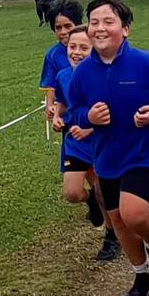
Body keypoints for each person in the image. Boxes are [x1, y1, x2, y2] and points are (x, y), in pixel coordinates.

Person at [67, 0, 149, 296]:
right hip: (106, 156)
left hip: (144, 151)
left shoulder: (146, 63)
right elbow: (73, 110)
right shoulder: (82, 73)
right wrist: (87, 117)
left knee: (133, 212)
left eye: (108, 21)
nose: (100, 28)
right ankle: (141, 273)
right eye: (94, 22)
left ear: (125, 29)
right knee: (117, 220)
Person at [52, 25, 121, 262]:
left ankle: (112, 237)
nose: (76, 52)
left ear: (94, 49)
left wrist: (90, 127)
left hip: (102, 141)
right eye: (72, 47)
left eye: (83, 47)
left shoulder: (104, 75)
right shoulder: (63, 75)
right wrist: (57, 116)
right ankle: (89, 199)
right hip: (75, 143)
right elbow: (61, 102)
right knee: (72, 193)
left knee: (104, 192)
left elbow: (116, 110)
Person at [39, 0, 83, 121]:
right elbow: (50, 85)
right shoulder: (52, 55)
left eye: (68, 26)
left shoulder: (91, 47)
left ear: (78, 24)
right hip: (68, 115)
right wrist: (50, 106)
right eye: (58, 28)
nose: (63, 32)